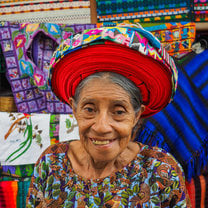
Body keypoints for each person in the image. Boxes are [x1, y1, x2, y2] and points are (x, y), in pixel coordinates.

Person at [26, 24, 191, 207]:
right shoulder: (51, 162)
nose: (102, 126)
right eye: (89, 109)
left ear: (136, 116)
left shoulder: (161, 170)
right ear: (74, 109)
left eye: (119, 112)